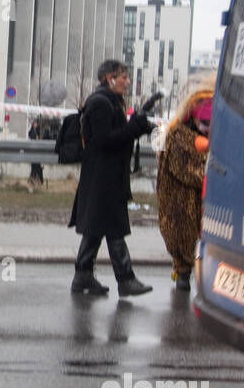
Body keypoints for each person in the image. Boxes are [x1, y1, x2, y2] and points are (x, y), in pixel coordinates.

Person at [69, 60, 162, 297]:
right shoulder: (101, 102)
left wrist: (138, 123)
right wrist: (135, 128)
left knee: (97, 229)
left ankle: (83, 276)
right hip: (103, 178)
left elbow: (116, 135)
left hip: (106, 176)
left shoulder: (109, 101)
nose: (127, 82)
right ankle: (125, 279)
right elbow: (104, 140)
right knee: (114, 228)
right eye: (124, 77)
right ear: (109, 78)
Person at [157, 89, 212, 292]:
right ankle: (183, 276)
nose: (207, 129)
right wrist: (211, 176)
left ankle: (194, 277)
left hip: (199, 200)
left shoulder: (203, 137)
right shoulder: (179, 136)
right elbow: (185, 170)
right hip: (179, 200)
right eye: (204, 123)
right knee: (182, 237)